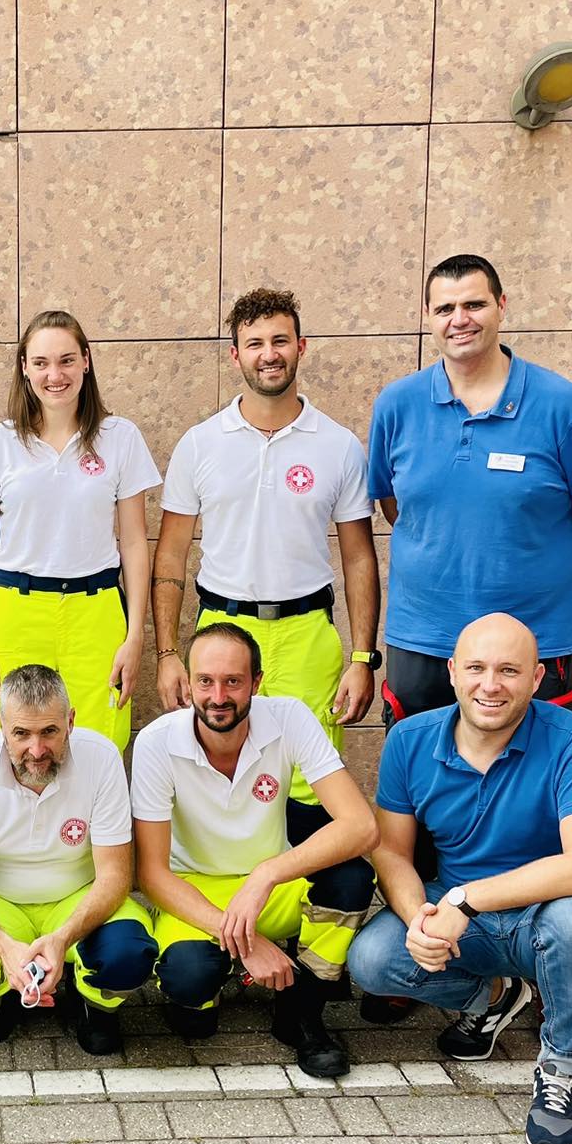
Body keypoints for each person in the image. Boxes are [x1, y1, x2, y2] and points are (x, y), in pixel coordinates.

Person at [348, 613, 572, 1144]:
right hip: (460, 921)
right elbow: (391, 851)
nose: (490, 685)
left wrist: (465, 901)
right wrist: (419, 919)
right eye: (476, 668)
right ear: (452, 672)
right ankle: (497, 997)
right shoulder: (409, 741)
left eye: (509, 671)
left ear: (536, 678)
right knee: (373, 960)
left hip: (543, 913)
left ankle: (562, 1071)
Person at [153, 287, 380, 847]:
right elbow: (170, 557)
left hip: (307, 634)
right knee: (219, 767)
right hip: (222, 629)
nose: (269, 354)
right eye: (254, 343)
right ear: (236, 355)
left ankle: (306, 897)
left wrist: (362, 658)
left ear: (301, 346)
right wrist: (166, 653)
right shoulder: (200, 444)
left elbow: (358, 557)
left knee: (307, 782)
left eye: (280, 340)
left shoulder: (338, 446)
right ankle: (225, 893)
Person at [369, 254, 572, 725]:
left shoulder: (562, 407)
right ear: (428, 316)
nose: (459, 320)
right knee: (420, 770)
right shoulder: (397, 405)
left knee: (527, 771)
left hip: (531, 643)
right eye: (445, 309)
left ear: (501, 306)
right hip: (423, 639)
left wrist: (535, 578)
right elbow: (397, 509)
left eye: (474, 304)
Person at [132, 622, 377, 1078]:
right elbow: (152, 875)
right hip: (195, 893)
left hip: (269, 889)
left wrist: (266, 875)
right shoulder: (156, 742)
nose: (218, 696)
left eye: (233, 681)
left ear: (256, 683)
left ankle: (302, 1010)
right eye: (205, 681)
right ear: (188, 682)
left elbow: (361, 827)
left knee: (352, 879)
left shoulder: (289, 717)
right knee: (190, 989)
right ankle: (215, 981)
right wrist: (247, 943)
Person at [0, 663, 157, 1056]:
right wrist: (4, 947)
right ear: (0, 726)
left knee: (129, 953)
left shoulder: (102, 757)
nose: (36, 750)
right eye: (21, 734)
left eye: (49, 731)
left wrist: (62, 940)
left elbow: (115, 876)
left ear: (71, 722)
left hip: (77, 898)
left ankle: (93, 1003)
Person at [0, 310, 160, 750]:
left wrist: (135, 636)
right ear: (24, 367)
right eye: (42, 362)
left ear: (86, 361)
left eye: (67, 360)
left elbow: (133, 544)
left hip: (97, 613)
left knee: (98, 745)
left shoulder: (120, 437)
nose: (55, 375)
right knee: (19, 750)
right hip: (16, 613)